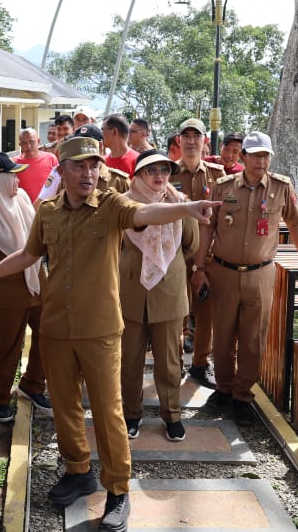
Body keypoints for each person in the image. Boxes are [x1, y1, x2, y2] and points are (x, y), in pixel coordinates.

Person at [0, 136, 220, 532]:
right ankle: (78, 471)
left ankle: (118, 491)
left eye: (94, 166)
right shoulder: (48, 212)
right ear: (64, 171)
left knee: (108, 412)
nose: (88, 173)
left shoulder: (110, 207)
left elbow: (146, 213)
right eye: (79, 166)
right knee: (66, 407)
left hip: (101, 329)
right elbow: (29, 255)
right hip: (55, 327)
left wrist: (188, 207)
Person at [197, 132, 298, 425]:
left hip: (260, 273)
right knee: (222, 336)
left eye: (265, 156)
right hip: (223, 271)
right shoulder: (223, 187)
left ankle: (242, 395)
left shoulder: (281, 187)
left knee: (253, 338)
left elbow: (295, 224)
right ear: (243, 156)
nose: (261, 161)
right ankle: (222, 389)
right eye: (255, 155)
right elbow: (208, 227)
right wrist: (199, 269)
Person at [119, 150, 198, 443]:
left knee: (169, 361)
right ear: (138, 175)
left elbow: (190, 244)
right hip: (130, 292)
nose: (158, 177)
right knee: (130, 360)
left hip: (168, 290)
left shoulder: (180, 203)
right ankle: (131, 414)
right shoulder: (123, 203)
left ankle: (172, 415)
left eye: (164, 171)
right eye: (151, 171)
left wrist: (162, 264)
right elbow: (114, 246)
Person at [0, 152, 52, 422]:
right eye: (11, 175)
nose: (17, 180)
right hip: (7, 293)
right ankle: (1, 397)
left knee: (48, 335)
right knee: (8, 346)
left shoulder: (23, 200)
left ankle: (33, 384)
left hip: (38, 284)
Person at [171, 118, 226, 389]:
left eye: (197, 136)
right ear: (178, 141)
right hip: (174, 256)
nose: (191, 141)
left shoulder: (218, 175)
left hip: (207, 257)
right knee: (175, 313)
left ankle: (200, 365)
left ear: (205, 141)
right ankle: (175, 364)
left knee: (206, 315)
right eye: (186, 136)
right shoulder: (167, 174)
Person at [36, 124, 130, 201]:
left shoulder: (119, 182)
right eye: (78, 143)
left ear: (100, 146)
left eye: (88, 144)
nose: (82, 148)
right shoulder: (67, 178)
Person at [14, 127, 59, 202]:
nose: (28, 146)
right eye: (24, 143)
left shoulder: (51, 159)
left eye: (31, 142)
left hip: (48, 209)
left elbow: (59, 184)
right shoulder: (14, 163)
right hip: (25, 210)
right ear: (20, 145)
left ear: (38, 141)